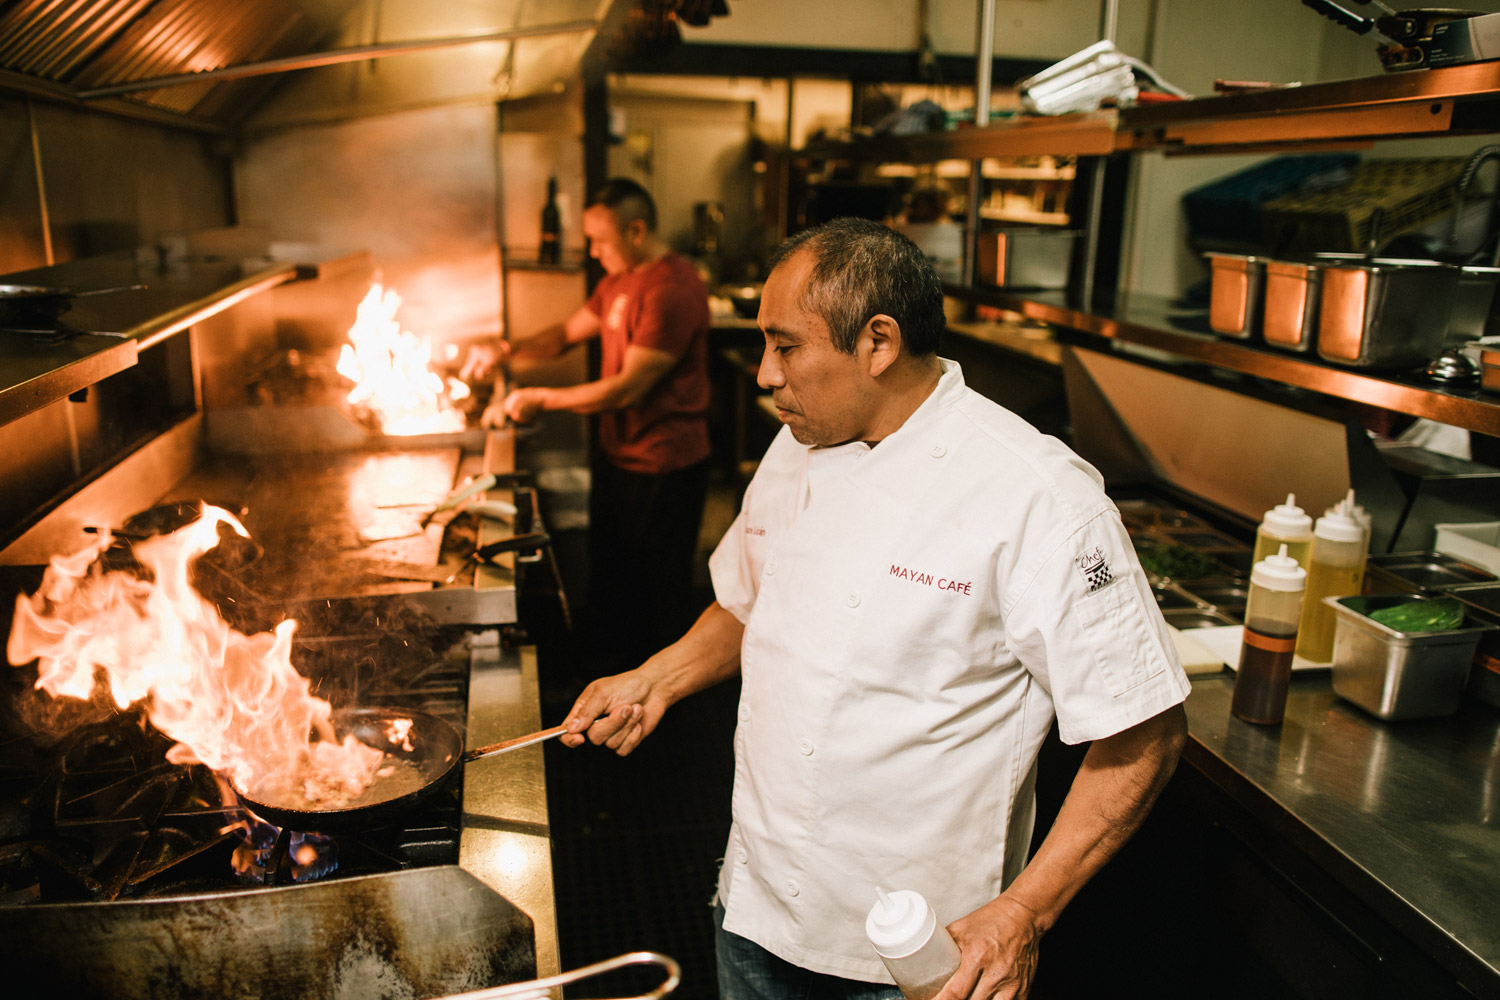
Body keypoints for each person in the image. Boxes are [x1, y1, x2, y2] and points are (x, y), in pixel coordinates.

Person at [558, 217, 1191, 1000]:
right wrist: (659, 677)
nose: (763, 374)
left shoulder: (1037, 495)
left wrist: (1025, 911)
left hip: (920, 955)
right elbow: (752, 600)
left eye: (785, 347)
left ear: (878, 342)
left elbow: (1145, 730)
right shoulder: (797, 446)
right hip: (755, 907)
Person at [470, 178, 712, 672]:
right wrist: (506, 352)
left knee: (655, 595)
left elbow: (627, 388)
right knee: (613, 579)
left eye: (601, 240)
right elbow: (564, 334)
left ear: (637, 230)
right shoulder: (617, 281)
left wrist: (541, 399)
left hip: (663, 464)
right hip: (620, 455)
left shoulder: (672, 290)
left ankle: (662, 707)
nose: (594, 251)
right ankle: (606, 677)